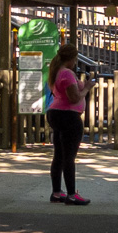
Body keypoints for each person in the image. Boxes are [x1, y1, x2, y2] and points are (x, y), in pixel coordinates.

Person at [44, 43, 95, 206]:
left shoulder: (56, 72)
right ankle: (72, 194)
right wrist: (86, 88)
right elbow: (74, 97)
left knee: (59, 154)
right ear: (72, 58)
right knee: (69, 157)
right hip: (69, 116)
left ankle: (57, 192)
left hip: (56, 113)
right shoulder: (66, 74)